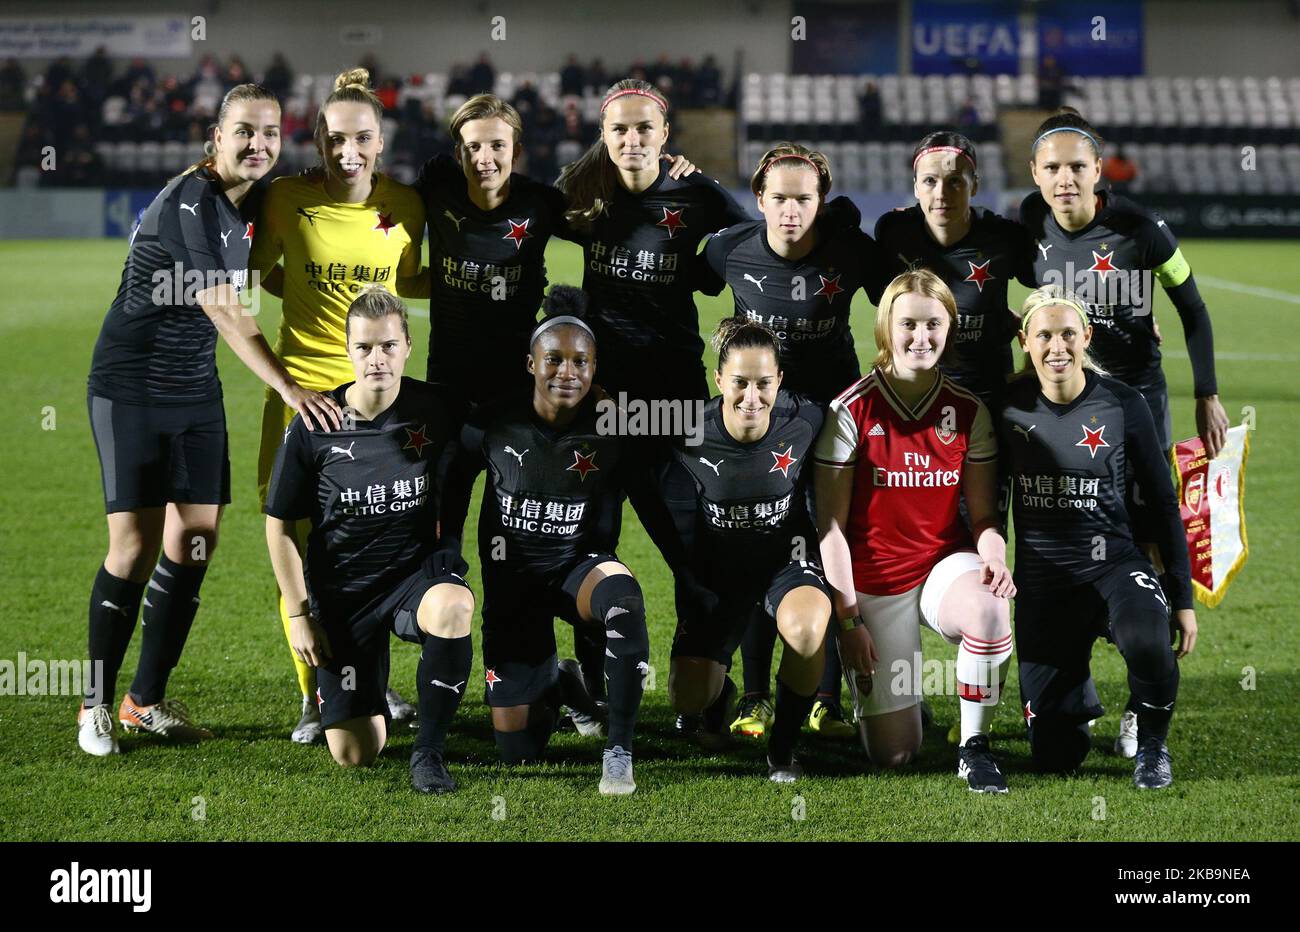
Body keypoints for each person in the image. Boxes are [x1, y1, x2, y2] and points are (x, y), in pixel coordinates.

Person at [80, 84, 327, 755]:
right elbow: (223, 304)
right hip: (129, 385)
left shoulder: (253, 203)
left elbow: (265, 272)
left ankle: (144, 701)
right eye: (244, 131)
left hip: (194, 388)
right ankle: (95, 705)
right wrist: (287, 385)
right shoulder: (194, 199)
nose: (258, 145)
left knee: (194, 541)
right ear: (215, 137)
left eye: (270, 134)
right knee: (131, 547)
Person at [1021, 107, 1227, 756]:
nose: (1064, 179)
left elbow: (1192, 308)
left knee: (1152, 546)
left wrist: (1207, 394)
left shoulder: (1140, 229)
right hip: (1065, 412)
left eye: (1077, 167)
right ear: (1034, 173)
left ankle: (1146, 704)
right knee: (1067, 538)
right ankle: (1066, 685)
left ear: (1097, 170)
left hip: (1136, 406)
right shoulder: (1027, 227)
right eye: (1051, 168)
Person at [439, 287, 676, 795]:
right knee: (518, 751)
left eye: (580, 362)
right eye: (554, 359)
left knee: (625, 602)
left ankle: (619, 749)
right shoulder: (493, 420)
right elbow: (453, 480)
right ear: (530, 363)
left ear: (596, 368)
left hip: (579, 570)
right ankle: (562, 680)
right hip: (513, 586)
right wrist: (448, 546)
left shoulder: (617, 425)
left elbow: (665, 465)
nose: (567, 372)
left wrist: (684, 558)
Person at [250, 67, 428, 743]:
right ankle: (311, 694)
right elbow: (262, 272)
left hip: (378, 399)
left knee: (374, 541)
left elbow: (407, 278)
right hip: (301, 397)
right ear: (318, 139)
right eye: (335, 139)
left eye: (362, 139)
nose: (348, 151)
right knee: (293, 539)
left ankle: (369, 682)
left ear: (380, 143)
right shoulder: (285, 199)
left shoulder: (405, 207)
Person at [701, 142, 891, 739]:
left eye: (803, 199)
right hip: (760, 425)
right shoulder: (730, 250)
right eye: (778, 198)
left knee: (829, 549)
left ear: (821, 202)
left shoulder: (850, 252)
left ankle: (828, 699)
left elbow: (906, 299)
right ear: (758, 199)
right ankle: (754, 696)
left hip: (831, 430)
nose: (790, 210)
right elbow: (671, 288)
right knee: (765, 549)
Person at [264, 286, 473, 793]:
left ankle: (429, 752)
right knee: (355, 753)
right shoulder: (315, 424)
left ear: (407, 346)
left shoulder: (440, 407)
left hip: (413, 580)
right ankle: (359, 690)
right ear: (347, 350)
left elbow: (514, 425)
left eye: (387, 346)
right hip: (344, 597)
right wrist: (299, 615)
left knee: (453, 606)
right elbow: (279, 524)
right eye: (364, 348)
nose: (376, 359)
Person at [814, 270, 1016, 792]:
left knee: (991, 607)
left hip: (941, 569)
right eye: (908, 324)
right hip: (875, 584)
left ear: (949, 329)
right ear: (886, 328)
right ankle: (902, 695)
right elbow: (830, 528)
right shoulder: (850, 410)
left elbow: (985, 516)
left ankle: (975, 750)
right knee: (895, 754)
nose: (921, 338)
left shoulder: (968, 410)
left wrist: (993, 554)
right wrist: (849, 620)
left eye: (933, 325)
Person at [1001, 286, 1195, 788]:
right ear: (1026, 341)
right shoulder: (1005, 407)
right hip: (1044, 581)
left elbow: (1162, 499)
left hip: (1114, 564)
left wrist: (1181, 592)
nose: (1057, 346)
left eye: (1068, 333)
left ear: (1086, 336)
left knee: (1148, 641)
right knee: (1056, 756)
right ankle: (1074, 694)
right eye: (1044, 335)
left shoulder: (1124, 403)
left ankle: (1153, 746)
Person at [661, 320, 834, 780]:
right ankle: (720, 695)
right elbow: (623, 440)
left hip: (786, 561)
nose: (751, 397)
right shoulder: (684, 429)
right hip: (718, 574)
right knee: (686, 697)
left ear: (780, 380)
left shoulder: (807, 418)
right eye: (739, 383)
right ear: (719, 381)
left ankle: (782, 747)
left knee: (807, 627)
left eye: (763, 383)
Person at [556, 78, 750, 407]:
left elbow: (751, 238)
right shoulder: (584, 192)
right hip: (603, 380)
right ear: (603, 135)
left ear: (665, 133)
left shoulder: (695, 192)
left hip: (676, 378)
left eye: (645, 127)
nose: (632, 140)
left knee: (680, 460)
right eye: (619, 129)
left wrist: (705, 273)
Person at [874, 131, 1035, 410]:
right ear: (915, 187)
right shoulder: (894, 233)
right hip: (916, 390)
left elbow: (1046, 280)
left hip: (990, 390)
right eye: (929, 181)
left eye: (955, 182)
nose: (941, 194)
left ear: (974, 186)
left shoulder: (1004, 237)